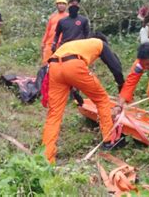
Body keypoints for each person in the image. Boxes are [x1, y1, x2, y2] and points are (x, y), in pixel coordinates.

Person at [42, 33, 125, 163]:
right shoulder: (100, 43)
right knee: (102, 99)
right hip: (73, 64)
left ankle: (46, 156)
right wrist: (122, 87)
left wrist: (77, 95)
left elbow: (67, 73)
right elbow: (115, 67)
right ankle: (109, 140)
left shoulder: (77, 45)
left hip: (53, 66)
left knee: (54, 114)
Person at [41, 0, 69, 65]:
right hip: (49, 44)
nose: (61, 5)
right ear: (57, 5)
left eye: (63, 4)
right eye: (59, 3)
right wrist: (43, 42)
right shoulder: (52, 17)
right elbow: (47, 30)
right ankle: (46, 76)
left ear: (66, 6)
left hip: (62, 44)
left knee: (60, 64)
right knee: (46, 63)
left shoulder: (69, 17)